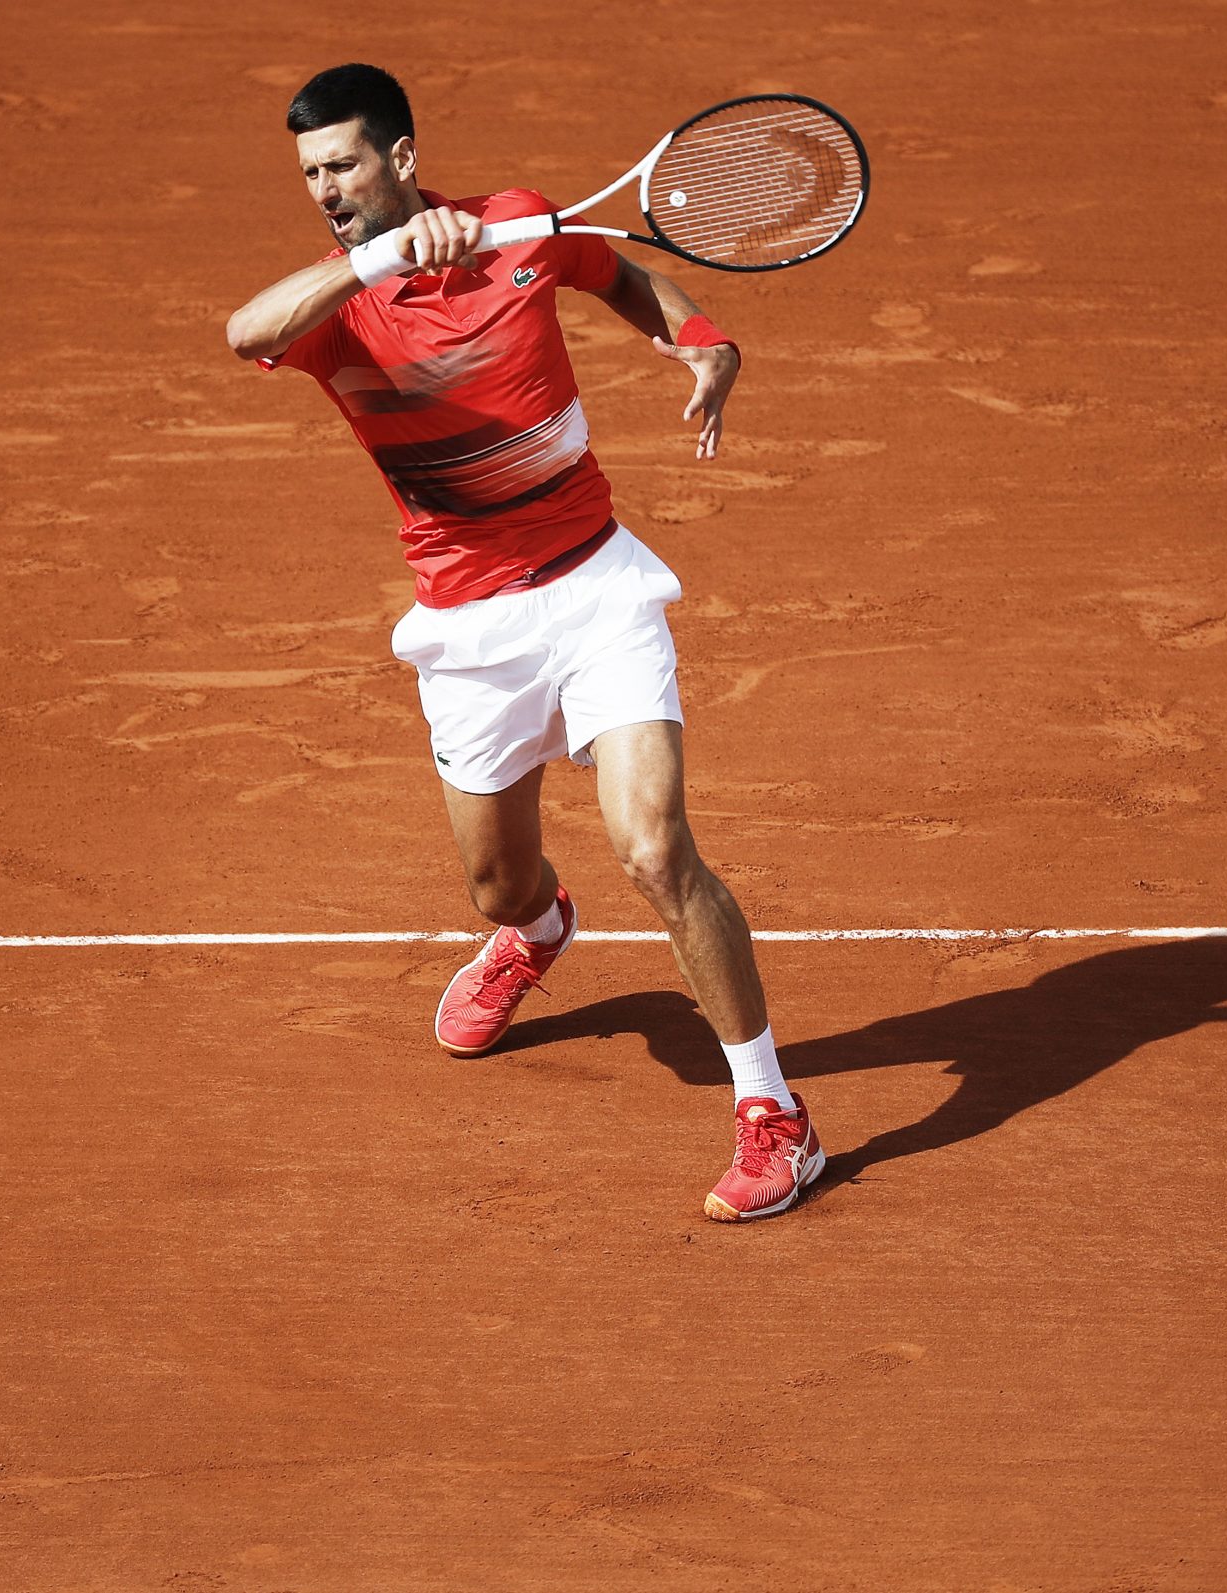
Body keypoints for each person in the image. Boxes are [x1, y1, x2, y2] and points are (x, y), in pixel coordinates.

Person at [225, 64, 819, 1221]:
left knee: (654, 848)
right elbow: (240, 329)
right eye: (309, 175)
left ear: (400, 156)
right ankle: (538, 932)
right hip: (466, 629)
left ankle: (774, 1117)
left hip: (596, 587)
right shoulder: (334, 305)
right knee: (498, 883)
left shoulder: (520, 229)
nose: (326, 190)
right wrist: (382, 259)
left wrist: (701, 339)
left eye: (342, 164)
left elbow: (620, 274)